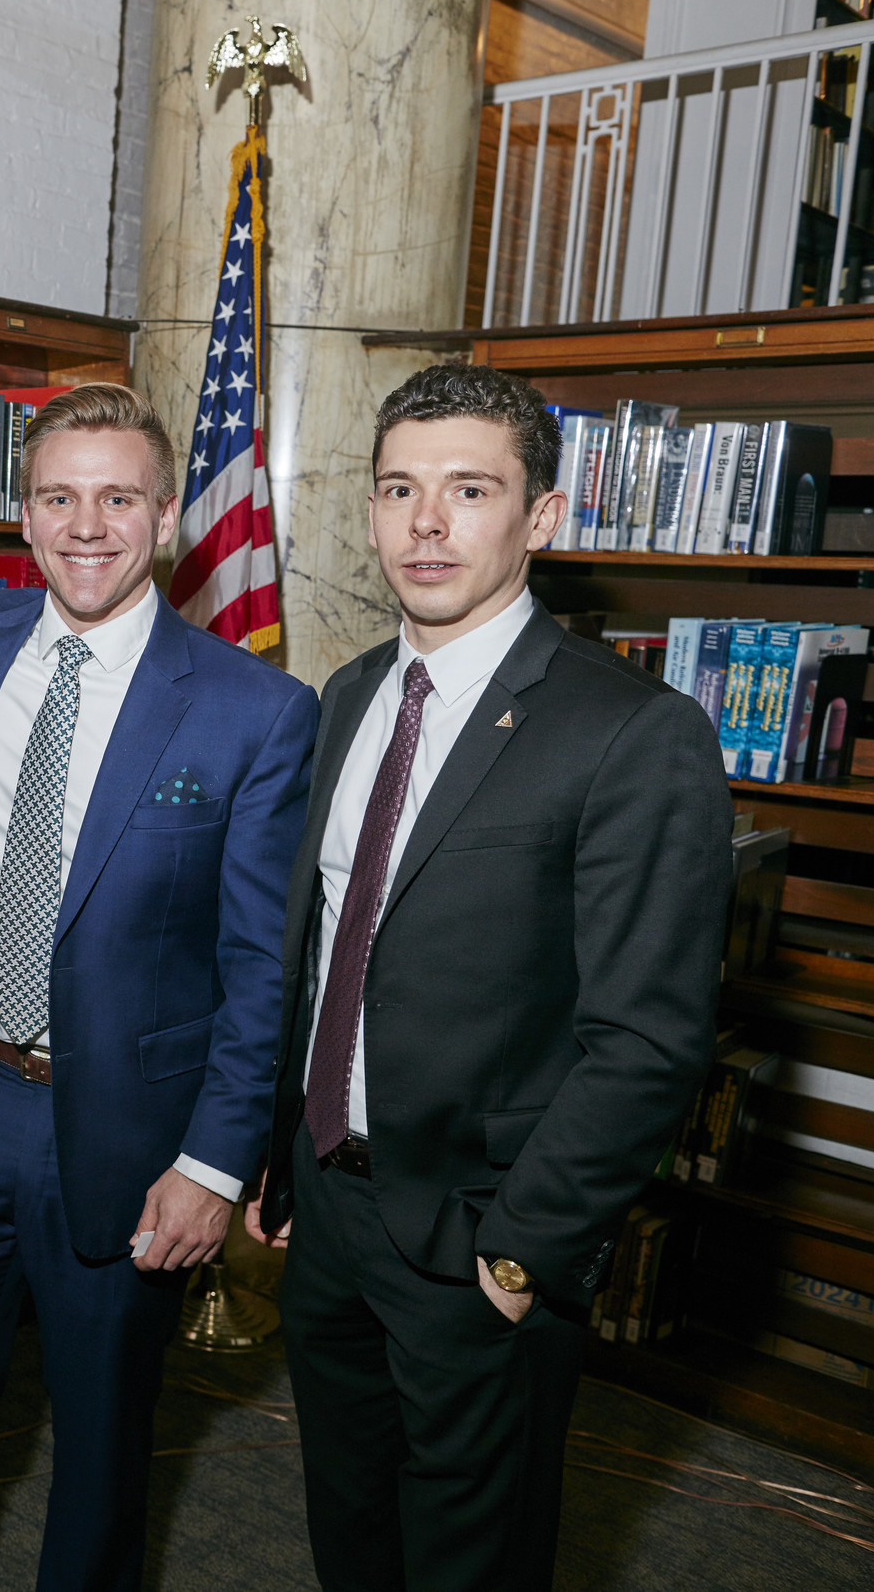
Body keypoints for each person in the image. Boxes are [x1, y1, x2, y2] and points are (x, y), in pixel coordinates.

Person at [247, 364, 730, 1592]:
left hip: (476, 1240)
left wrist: (518, 1256)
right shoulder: (349, 695)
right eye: (399, 487)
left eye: (468, 489)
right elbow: (319, 950)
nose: (425, 523)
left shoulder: (630, 731)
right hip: (330, 1220)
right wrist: (280, 1161)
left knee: (471, 1564)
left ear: (543, 517)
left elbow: (648, 1041)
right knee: (348, 1538)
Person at [0, 383, 316, 1591]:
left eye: (117, 497)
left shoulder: (256, 712)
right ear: (22, 516)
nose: (86, 525)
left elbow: (258, 965)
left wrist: (217, 1163)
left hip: (129, 1134)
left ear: (166, 515)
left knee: (104, 1447)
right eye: (58, 496)